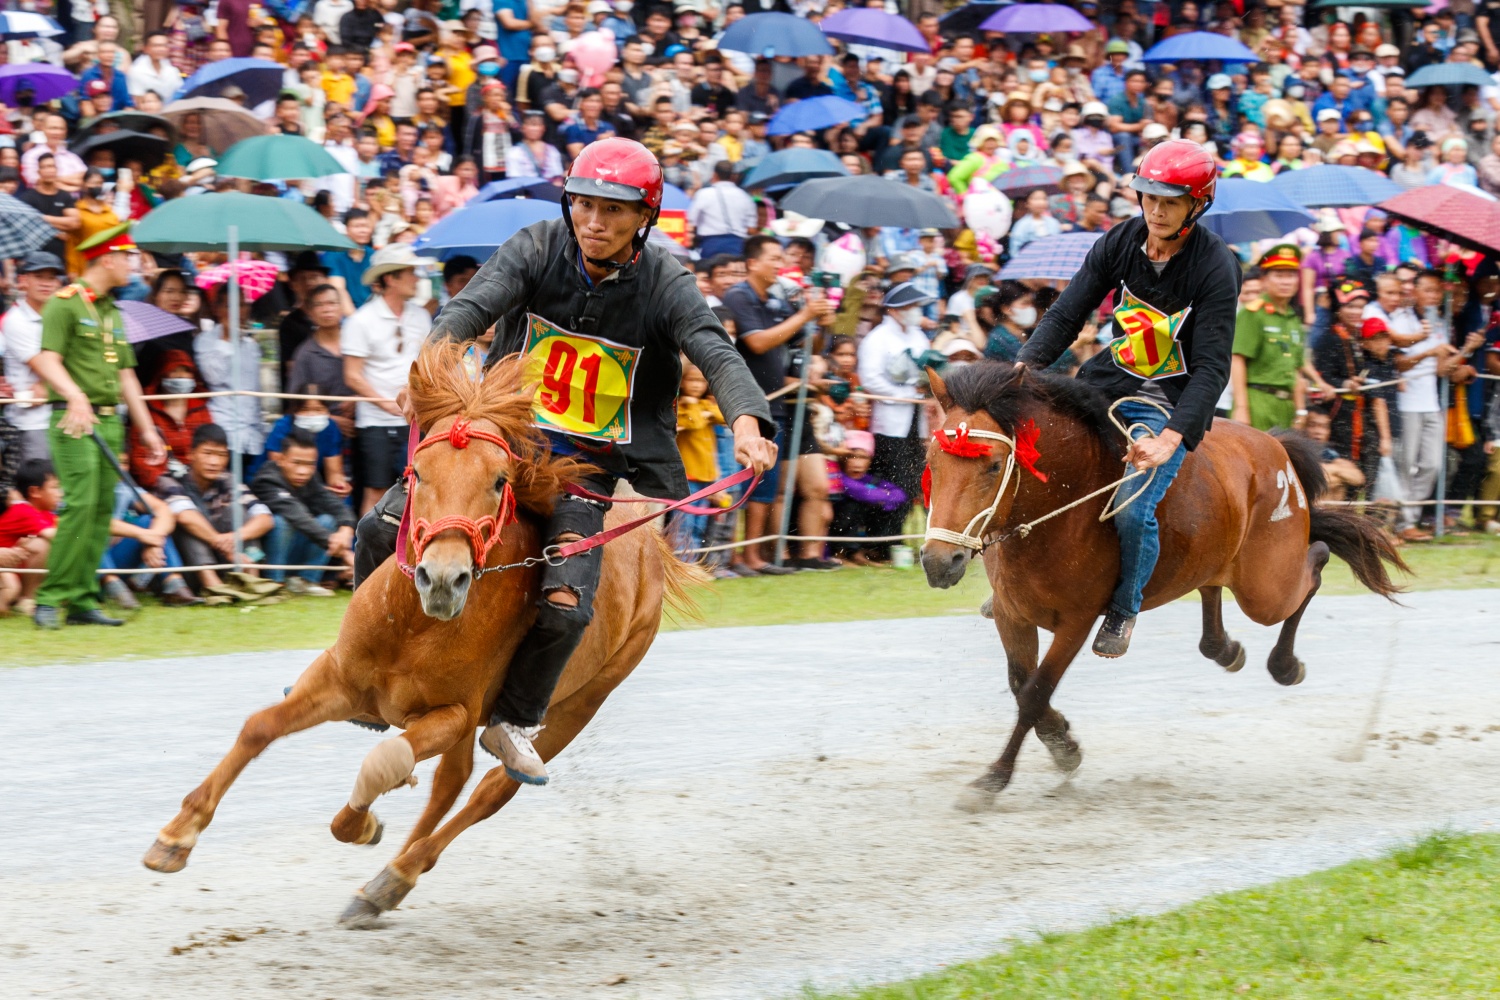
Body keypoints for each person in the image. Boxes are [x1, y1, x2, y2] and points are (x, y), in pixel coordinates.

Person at [353, 137, 776, 785]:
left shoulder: (667, 283)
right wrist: (433, 360)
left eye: (613, 211)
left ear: (644, 217)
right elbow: (471, 306)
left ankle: (515, 719)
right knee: (376, 529)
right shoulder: (536, 246)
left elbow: (715, 353)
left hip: (587, 469)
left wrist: (746, 423)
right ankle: (368, 663)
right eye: (583, 205)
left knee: (566, 604)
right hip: (505, 444)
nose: (594, 222)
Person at [1016, 139, 1240, 657]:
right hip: (1105, 382)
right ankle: (1020, 586)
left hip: (1171, 402)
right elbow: (1066, 315)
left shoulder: (1216, 267)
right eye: (1148, 197)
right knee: (1032, 448)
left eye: (1170, 201)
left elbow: (1212, 368)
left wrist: (1170, 438)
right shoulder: (1118, 241)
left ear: (1197, 204)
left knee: (1133, 509)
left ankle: (1123, 608)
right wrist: (1020, 369)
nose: (1156, 211)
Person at [26, 224, 167, 628]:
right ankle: (51, 599)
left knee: (101, 509)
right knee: (79, 506)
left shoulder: (110, 309)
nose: (134, 265)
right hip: (74, 420)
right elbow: (46, 359)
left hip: (109, 421)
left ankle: (84, 599)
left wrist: (148, 430)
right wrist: (74, 394)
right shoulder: (65, 303)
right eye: (128, 257)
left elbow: (126, 377)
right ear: (107, 258)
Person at [723, 234, 833, 576]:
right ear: (752, 263)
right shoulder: (738, 296)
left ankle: (755, 557)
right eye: (773, 258)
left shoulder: (776, 299)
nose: (779, 264)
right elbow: (756, 343)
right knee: (748, 481)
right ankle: (736, 556)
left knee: (766, 485)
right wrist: (805, 314)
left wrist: (822, 321)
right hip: (748, 404)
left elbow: (806, 341)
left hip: (778, 404)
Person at [342, 243, 434, 514]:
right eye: (410, 272)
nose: (416, 278)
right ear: (391, 278)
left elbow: (426, 364)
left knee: (418, 490)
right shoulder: (361, 320)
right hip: (376, 423)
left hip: (414, 419)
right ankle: (365, 555)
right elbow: (352, 376)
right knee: (375, 491)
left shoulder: (420, 316)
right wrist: (388, 405)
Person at [857, 281, 935, 562]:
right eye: (910, 306)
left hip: (916, 420)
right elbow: (870, 379)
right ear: (895, 310)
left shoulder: (918, 336)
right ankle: (882, 544)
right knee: (894, 481)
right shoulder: (877, 339)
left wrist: (923, 386)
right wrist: (904, 393)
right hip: (890, 421)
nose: (915, 311)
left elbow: (927, 368)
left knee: (916, 480)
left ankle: (900, 541)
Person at [154, 422, 275, 594]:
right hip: (189, 567)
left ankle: (252, 578)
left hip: (231, 559)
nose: (214, 462)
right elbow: (184, 516)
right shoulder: (169, 480)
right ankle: (213, 586)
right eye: (207, 453)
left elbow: (265, 517)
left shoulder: (228, 480)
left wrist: (235, 537)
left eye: (221, 455)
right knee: (187, 522)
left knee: (238, 511)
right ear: (191, 454)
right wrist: (221, 542)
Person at [250, 427, 356, 594]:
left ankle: (305, 581)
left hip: (295, 548)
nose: (303, 471)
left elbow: (332, 503)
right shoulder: (267, 480)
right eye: (296, 463)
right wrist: (345, 553)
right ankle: (275, 582)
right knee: (281, 522)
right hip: (264, 555)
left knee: (328, 520)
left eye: (309, 464)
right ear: (281, 459)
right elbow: (297, 515)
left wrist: (346, 529)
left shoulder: (310, 477)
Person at [1231, 243, 1315, 432]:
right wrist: (1242, 408)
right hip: (1258, 402)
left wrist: (1300, 411)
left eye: (1291, 275)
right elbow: (1237, 360)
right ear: (1264, 280)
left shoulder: (1293, 318)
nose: (1286, 282)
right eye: (1279, 275)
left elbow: (1295, 368)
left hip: (1287, 406)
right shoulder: (1253, 314)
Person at [2, 253, 66, 467]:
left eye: (52, 277)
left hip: (64, 416)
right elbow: (48, 367)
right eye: (39, 276)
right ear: (23, 280)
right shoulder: (16, 320)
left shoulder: (61, 315)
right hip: (32, 424)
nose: (47, 283)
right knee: (40, 491)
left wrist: (47, 386)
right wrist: (49, 383)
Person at [0, 458, 60, 616]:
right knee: (43, 545)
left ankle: (22, 598)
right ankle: (24, 600)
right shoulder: (23, 511)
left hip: (12, 570)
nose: (60, 494)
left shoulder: (46, 514)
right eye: (55, 487)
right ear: (35, 492)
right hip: (3, 569)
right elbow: (57, 537)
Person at [687, 159, 756, 257]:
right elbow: (751, 229)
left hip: (710, 244)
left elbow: (691, 223)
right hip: (737, 244)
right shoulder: (745, 196)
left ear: (714, 175)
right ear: (733, 176)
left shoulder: (703, 194)